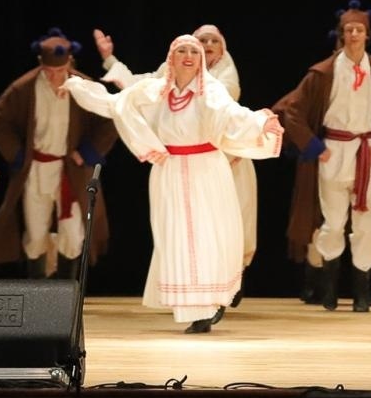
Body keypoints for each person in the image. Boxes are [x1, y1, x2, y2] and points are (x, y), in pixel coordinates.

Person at [63, 35, 283, 332]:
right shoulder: (156, 91)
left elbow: (233, 114)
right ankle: (193, 307)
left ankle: (207, 307)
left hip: (205, 170)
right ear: (171, 57)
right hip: (170, 171)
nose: (189, 55)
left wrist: (260, 123)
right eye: (182, 50)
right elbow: (117, 103)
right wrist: (78, 87)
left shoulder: (211, 91)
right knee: (176, 237)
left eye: (194, 51)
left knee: (207, 237)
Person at [96, 23, 258, 305]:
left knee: (223, 229)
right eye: (198, 41)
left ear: (221, 48)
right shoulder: (170, 76)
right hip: (180, 165)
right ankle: (191, 294)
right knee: (183, 232)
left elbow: (230, 113)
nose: (205, 46)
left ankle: (223, 288)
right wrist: (111, 60)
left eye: (212, 41)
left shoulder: (222, 83)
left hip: (222, 161)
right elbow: (139, 87)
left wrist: (260, 126)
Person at [273, 1, 371, 312]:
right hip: (333, 153)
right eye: (348, 30)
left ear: (367, 34)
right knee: (333, 222)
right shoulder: (323, 73)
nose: (353, 35)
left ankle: (362, 291)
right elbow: (292, 110)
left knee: (366, 221)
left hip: (366, 153)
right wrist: (314, 147)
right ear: (341, 33)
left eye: (359, 30)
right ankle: (330, 288)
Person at [0, 29, 117, 278]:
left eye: (60, 71)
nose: (55, 77)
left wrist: (87, 152)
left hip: (72, 171)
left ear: (70, 62)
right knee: (35, 231)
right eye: (49, 71)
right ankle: (38, 294)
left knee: (72, 232)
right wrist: (17, 155)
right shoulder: (25, 88)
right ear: (40, 64)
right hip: (37, 168)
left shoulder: (83, 86)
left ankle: (68, 294)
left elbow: (111, 117)